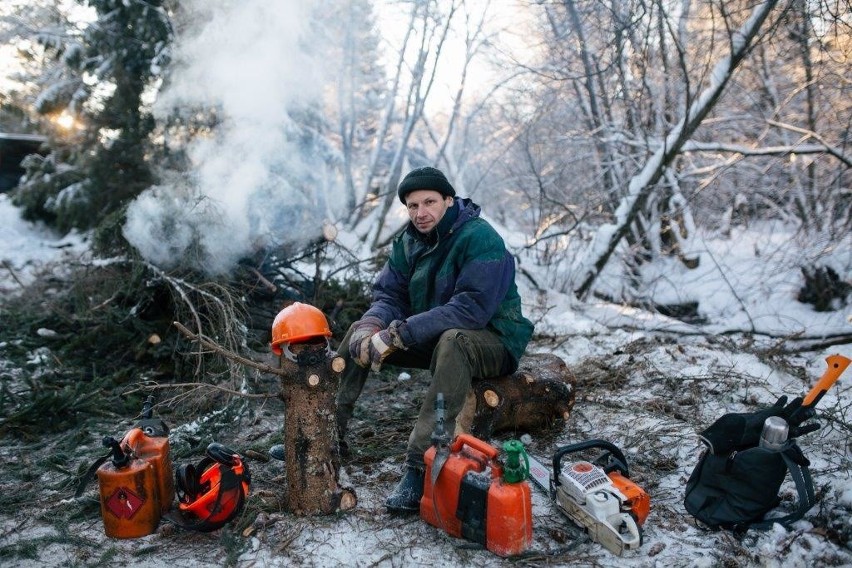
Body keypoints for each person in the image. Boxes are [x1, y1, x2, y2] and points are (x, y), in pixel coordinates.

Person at [335, 166, 534, 513]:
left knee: (453, 341)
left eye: (429, 202)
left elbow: (471, 309)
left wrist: (400, 333)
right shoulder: (408, 240)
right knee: (356, 333)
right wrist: (373, 326)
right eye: (412, 206)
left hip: (494, 338)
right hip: (438, 334)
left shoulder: (480, 238)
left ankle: (419, 465)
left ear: (449, 200)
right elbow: (389, 296)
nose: (420, 213)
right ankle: (326, 432)